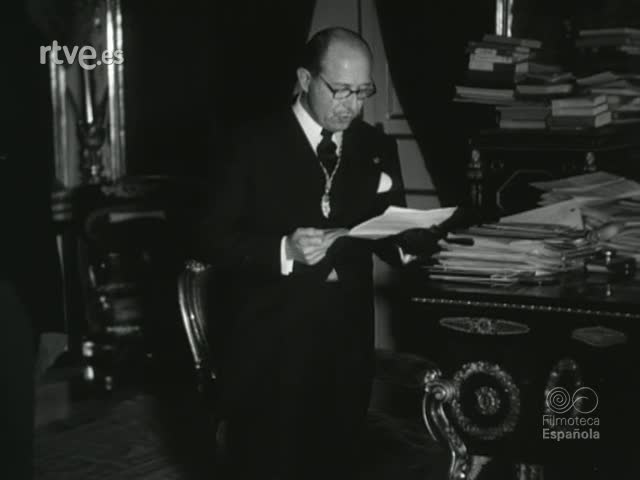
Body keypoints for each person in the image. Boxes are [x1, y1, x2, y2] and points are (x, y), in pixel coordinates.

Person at [197, 27, 420, 479]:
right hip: (270, 347)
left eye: (363, 92)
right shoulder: (251, 143)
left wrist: (416, 240)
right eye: (341, 90)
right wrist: (283, 250)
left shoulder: (375, 147)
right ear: (304, 79)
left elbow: (389, 237)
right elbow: (209, 238)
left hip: (348, 347)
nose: (352, 106)